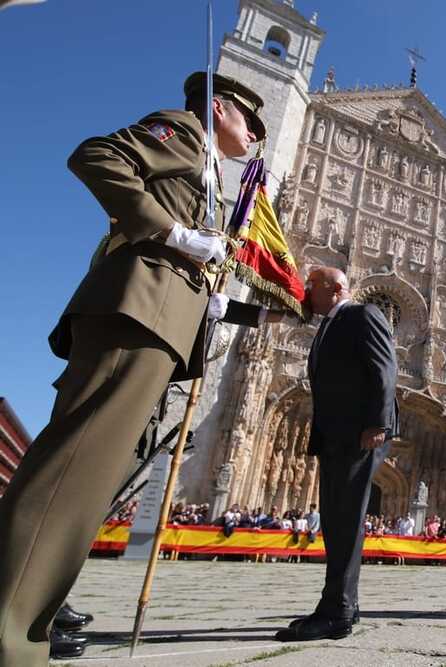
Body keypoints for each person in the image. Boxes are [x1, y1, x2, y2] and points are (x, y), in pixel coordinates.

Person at [0, 71, 274, 666]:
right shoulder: (182, 131)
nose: (255, 135)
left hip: (164, 320)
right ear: (219, 107)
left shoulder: (207, 167)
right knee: (71, 471)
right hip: (138, 314)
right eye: (250, 121)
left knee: (90, 476)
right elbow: (96, 156)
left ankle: (34, 613)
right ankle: (10, 633)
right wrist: (173, 232)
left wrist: (214, 298)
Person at [275, 267, 398, 642]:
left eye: (311, 286)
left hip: (359, 433)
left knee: (344, 519)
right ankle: (347, 604)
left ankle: (335, 612)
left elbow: (384, 367)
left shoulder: (362, 313)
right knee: (336, 519)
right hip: (337, 433)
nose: (306, 291)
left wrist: (377, 424)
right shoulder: (331, 323)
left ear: (335, 288)